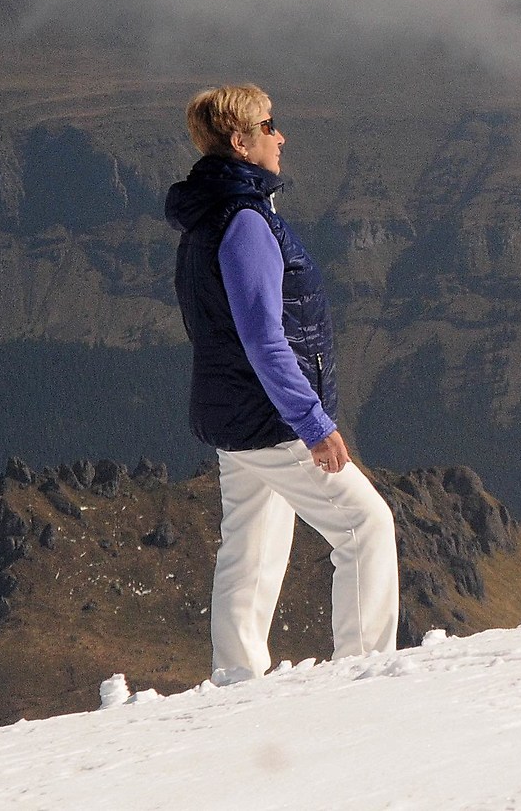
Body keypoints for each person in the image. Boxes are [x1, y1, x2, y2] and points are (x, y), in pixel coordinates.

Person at [164, 83, 398, 681]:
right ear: (241, 142)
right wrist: (314, 424)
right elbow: (264, 339)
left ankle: (237, 678)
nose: (280, 135)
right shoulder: (244, 221)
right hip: (271, 417)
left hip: (233, 412)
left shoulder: (210, 216)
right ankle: (364, 671)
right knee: (365, 525)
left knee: (250, 549)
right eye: (269, 126)